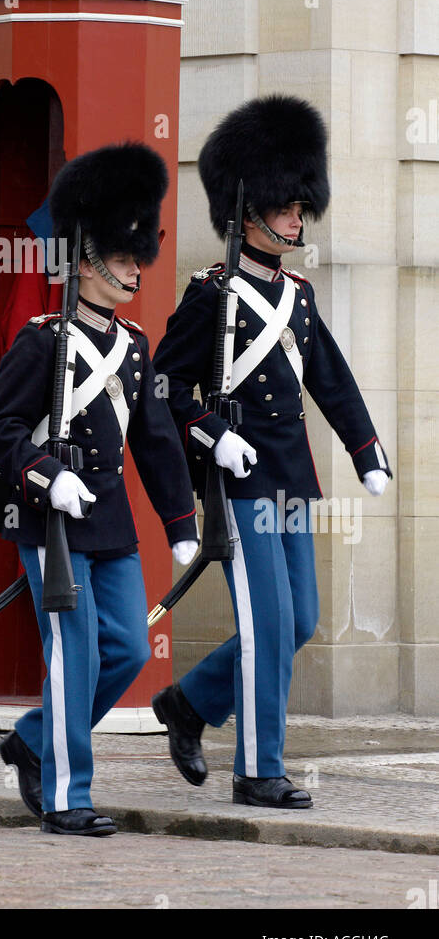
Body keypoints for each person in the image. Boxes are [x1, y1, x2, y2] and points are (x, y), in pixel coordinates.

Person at [152, 95, 391, 808]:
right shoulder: (211, 297)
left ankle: (189, 703)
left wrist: (365, 449)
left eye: (298, 208)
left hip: (291, 483)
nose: (295, 220)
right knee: (264, 627)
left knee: (300, 622)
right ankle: (258, 768)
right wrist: (210, 432)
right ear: (246, 209)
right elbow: (162, 385)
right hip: (238, 487)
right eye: (284, 208)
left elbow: (330, 379)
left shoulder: (296, 296)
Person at [0, 143, 199, 836]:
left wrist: (181, 520)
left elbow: (155, 439)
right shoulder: (42, 340)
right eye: (124, 256)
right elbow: (0, 427)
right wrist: (46, 473)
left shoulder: (133, 345)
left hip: (107, 525)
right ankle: (68, 797)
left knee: (129, 652)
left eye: (138, 256)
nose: (135, 268)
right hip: (50, 522)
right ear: (86, 261)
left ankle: (34, 740)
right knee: (72, 657)